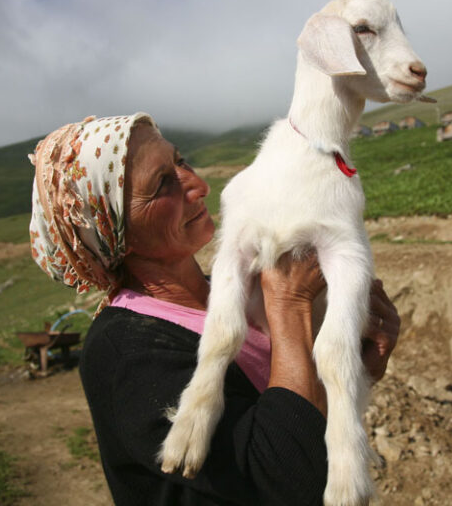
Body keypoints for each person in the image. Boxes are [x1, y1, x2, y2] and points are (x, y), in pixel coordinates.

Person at [29, 113, 400, 506]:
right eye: (161, 185)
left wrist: (360, 367)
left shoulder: (228, 296)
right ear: (112, 230)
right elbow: (279, 478)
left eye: (181, 161)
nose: (199, 186)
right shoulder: (124, 351)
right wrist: (290, 304)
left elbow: (306, 423)